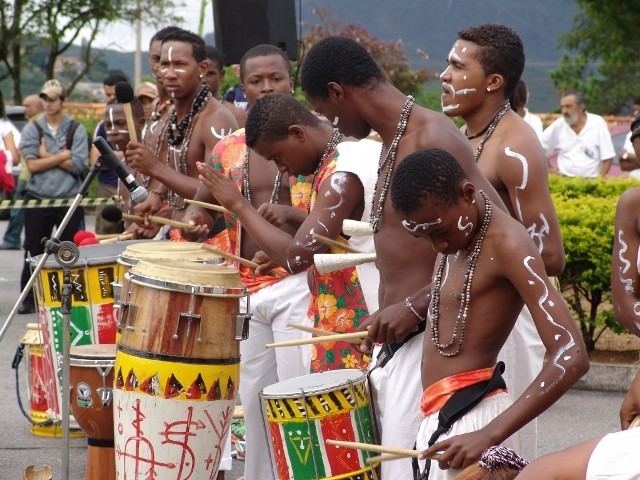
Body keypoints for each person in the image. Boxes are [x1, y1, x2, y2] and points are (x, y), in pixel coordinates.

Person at [300, 35, 507, 479]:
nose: (331, 123)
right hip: (399, 344)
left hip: (430, 346)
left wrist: (415, 306)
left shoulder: (431, 136)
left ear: (338, 91)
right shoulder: (392, 141)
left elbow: (503, 236)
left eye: (328, 110)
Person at [389, 148, 588, 479]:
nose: (436, 246)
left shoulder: (508, 243)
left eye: (438, 233)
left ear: (468, 194)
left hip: (475, 420)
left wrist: (488, 434)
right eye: (423, 236)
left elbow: (572, 355)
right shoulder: (457, 233)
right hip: (443, 420)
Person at [180, 44, 312, 480]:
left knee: (297, 396)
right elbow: (203, 206)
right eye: (256, 81)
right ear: (243, 83)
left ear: (290, 79)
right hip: (248, 289)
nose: (267, 87)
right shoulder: (229, 148)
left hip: (302, 286)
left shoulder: (310, 140)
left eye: (275, 78)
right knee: (254, 397)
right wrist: (197, 219)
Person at [440, 23, 565, 461]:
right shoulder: (463, 137)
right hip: (463, 313)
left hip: (507, 323)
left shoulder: (515, 147)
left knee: (497, 460)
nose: (444, 75)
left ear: (494, 82)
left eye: (457, 66)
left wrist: (488, 266)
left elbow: (549, 255)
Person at [196, 93, 379, 372]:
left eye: (278, 158)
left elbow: (296, 258)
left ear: (297, 133)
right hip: (340, 316)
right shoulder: (333, 160)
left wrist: (237, 205)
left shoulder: (343, 168)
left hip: (363, 317)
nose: (281, 169)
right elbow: (328, 240)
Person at [125, 28, 238, 239]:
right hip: (180, 234)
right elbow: (181, 168)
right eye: (164, 64)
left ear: (202, 68)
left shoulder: (216, 120)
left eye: (180, 64)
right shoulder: (174, 114)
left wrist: (155, 168)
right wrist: (158, 195)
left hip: (216, 240)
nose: (168, 73)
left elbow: (218, 191)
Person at [18, 79, 89, 314]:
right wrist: (61, 156)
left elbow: (80, 165)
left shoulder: (75, 128)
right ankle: (28, 299)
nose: (48, 103)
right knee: (33, 249)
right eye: (45, 99)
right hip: (39, 197)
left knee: (70, 250)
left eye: (53, 98)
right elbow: (32, 165)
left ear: (63, 100)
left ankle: (73, 298)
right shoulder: (33, 127)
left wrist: (45, 155)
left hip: (69, 198)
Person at [0, 94, 43, 250]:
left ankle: (12, 238)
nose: (24, 109)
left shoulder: (36, 124)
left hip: (29, 172)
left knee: (19, 208)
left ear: (38, 106)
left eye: (27, 106)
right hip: (26, 170)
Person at [541, 89, 615, 178]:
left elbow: (608, 157)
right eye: (562, 107)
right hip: (564, 181)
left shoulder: (597, 123)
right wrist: (551, 170)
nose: (564, 111)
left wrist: (599, 181)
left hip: (592, 181)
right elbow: (538, 149)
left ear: (581, 107)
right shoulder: (559, 125)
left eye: (568, 106)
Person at [89, 73, 130, 235]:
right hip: (108, 186)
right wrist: (123, 155)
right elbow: (95, 160)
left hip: (133, 187)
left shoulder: (138, 121)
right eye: (108, 95)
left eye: (115, 94)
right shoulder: (102, 126)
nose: (111, 99)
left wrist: (111, 155)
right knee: (106, 234)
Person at [204, 44, 247, 127]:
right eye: (198, 73)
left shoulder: (236, 115)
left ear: (221, 75)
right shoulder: (178, 113)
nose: (204, 79)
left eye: (210, 74)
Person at [617, 95, 640, 178]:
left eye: (638, 110)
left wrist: (629, 156)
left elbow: (625, 157)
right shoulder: (631, 134)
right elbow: (624, 165)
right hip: (633, 181)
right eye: (635, 110)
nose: (635, 113)